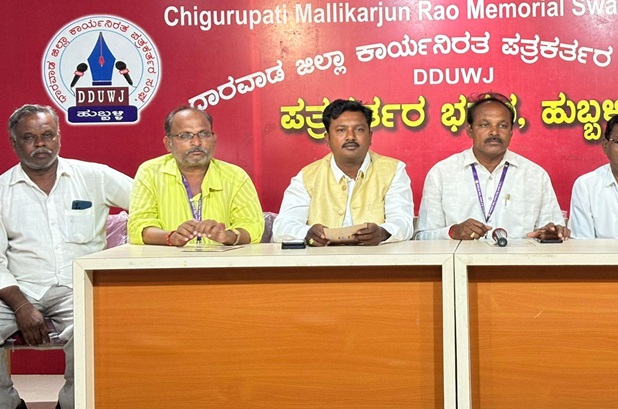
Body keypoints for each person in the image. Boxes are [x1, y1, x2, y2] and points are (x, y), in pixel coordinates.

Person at [0, 104, 132, 409]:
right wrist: (21, 305)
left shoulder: (94, 176)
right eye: (29, 138)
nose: (40, 144)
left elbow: (148, 205)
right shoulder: (1, 191)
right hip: (19, 289)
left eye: (47, 135)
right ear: (14, 143)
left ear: (59, 137)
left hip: (78, 286)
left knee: (92, 326)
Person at [416, 92, 568, 241]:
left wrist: (552, 235)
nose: (494, 132)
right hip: (460, 258)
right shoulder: (442, 173)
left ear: (511, 132)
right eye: (484, 125)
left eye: (502, 125)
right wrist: (452, 232)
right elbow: (422, 237)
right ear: (470, 130)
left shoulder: (535, 175)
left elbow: (551, 230)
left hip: (519, 258)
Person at [273, 99, 414, 245]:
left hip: (377, 258)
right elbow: (282, 227)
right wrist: (307, 233)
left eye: (359, 129)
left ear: (370, 137)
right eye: (341, 130)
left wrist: (382, 233)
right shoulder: (307, 176)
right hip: (321, 259)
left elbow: (403, 222)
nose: (350, 136)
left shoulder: (393, 171)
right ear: (327, 139)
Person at [128, 106, 264, 247]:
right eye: (185, 135)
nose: (197, 142)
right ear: (168, 143)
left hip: (221, 259)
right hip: (167, 260)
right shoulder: (150, 173)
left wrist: (228, 236)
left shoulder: (235, 176)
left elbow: (253, 226)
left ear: (214, 139)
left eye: (204, 134)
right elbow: (138, 226)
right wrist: (171, 237)